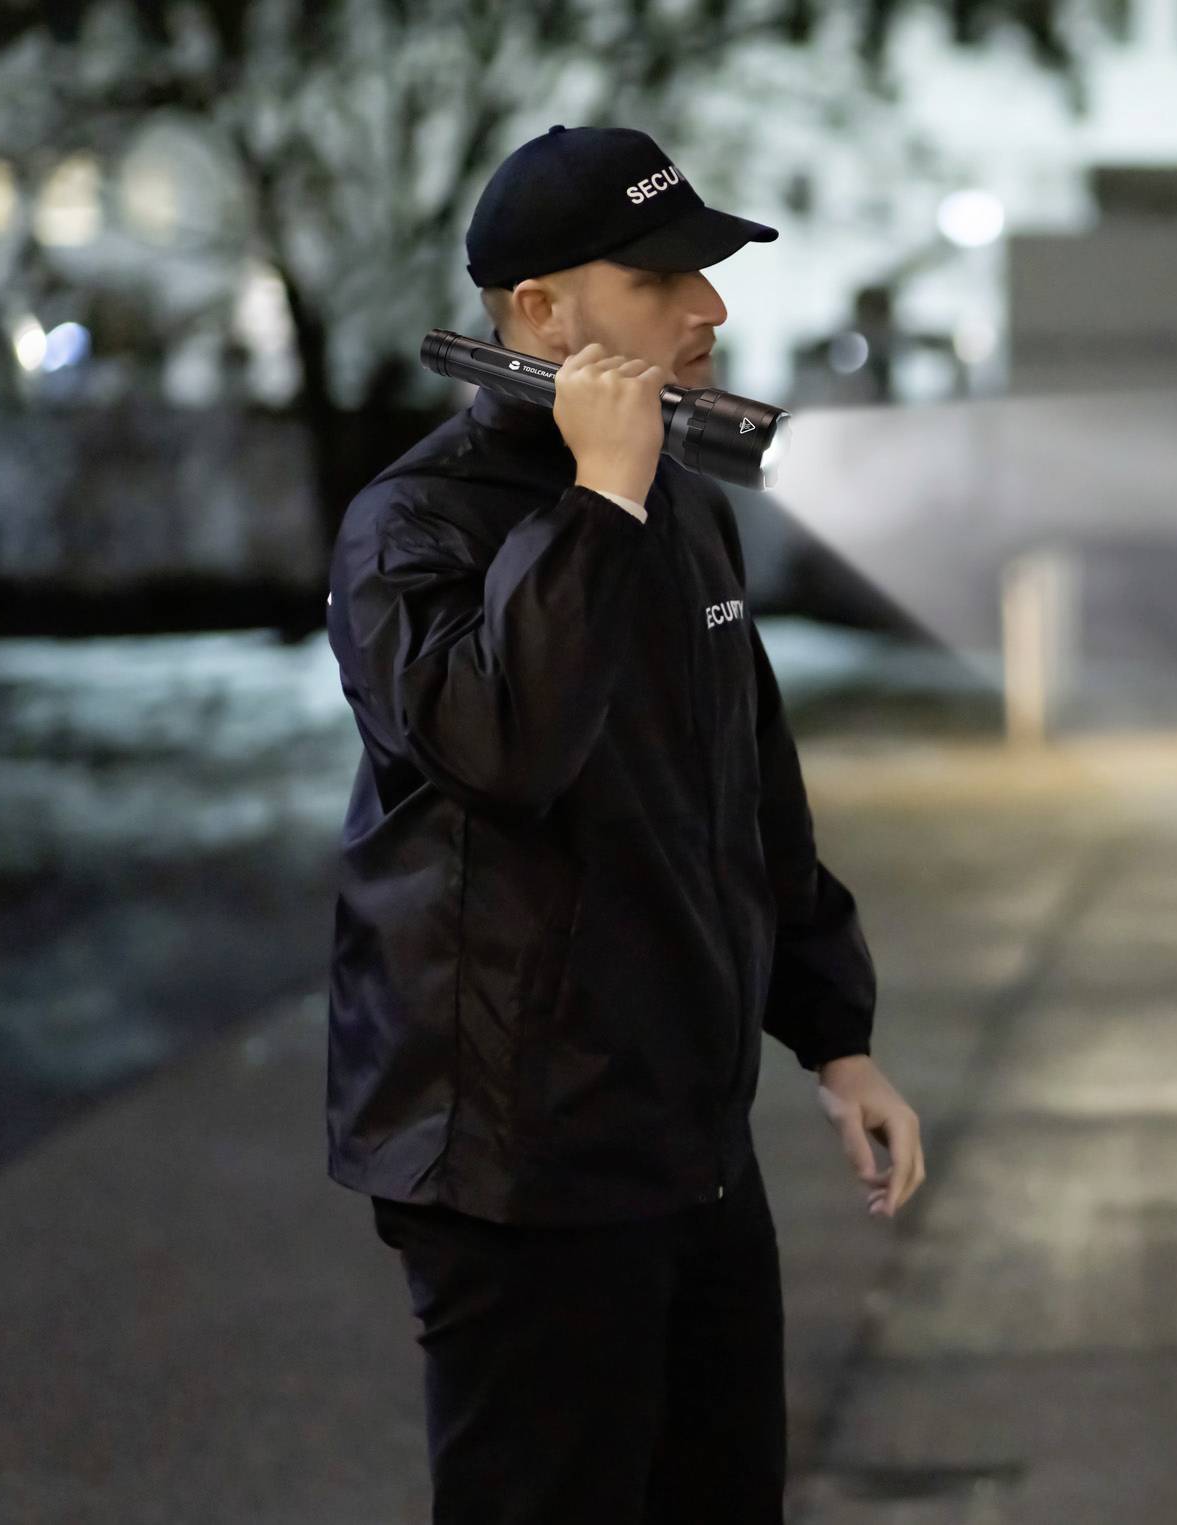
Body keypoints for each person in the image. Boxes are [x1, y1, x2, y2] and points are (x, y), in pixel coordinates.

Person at [320, 124, 926, 1524]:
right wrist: (596, 497)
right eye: (661, 279)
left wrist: (835, 1036)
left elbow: (744, 792)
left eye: (707, 274)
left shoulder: (686, 513)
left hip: (688, 1143)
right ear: (538, 310)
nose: (709, 309)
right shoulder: (413, 527)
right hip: (521, 1167)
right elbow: (506, 744)